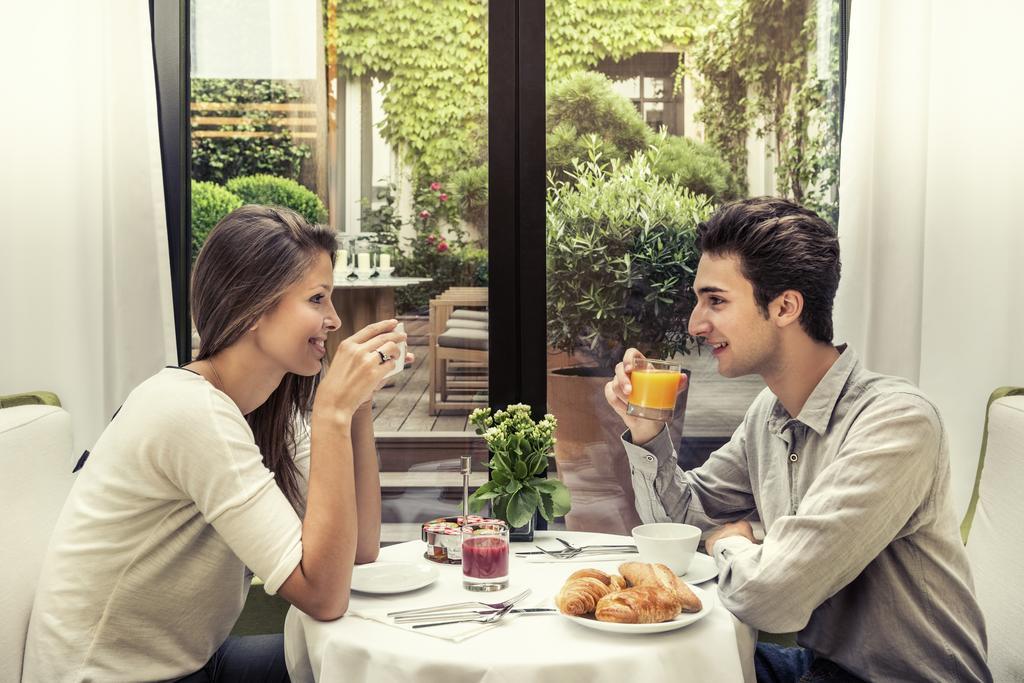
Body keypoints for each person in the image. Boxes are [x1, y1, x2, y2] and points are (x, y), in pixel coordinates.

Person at [605, 197, 991, 682]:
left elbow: (770, 598)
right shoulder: (770, 412)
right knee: (649, 669)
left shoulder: (897, 423)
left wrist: (728, 544)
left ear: (785, 306)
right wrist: (646, 430)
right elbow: (679, 521)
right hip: (817, 667)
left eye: (716, 300)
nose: (695, 323)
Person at [24, 205, 408, 682]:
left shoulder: (264, 412)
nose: (333, 321)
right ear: (252, 307)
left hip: (193, 665)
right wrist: (330, 412)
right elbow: (324, 596)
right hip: (111, 678)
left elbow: (359, 549)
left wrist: (358, 407)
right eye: (317, 299)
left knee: (379, 668)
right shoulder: (190, 411)